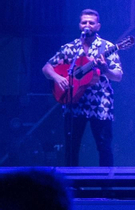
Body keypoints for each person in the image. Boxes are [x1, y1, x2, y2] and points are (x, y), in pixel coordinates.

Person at [42, 9, 123, 167]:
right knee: (71, 148)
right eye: (84, 22)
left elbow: (118, 76)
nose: (87, 25)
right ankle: (72, 186)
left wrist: (105, 69)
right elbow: (46, 68)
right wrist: (58, 78)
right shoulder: (70, 48)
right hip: (74, 103)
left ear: (98, 26)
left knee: (104, 147)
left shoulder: (107, 47)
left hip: (100, 104)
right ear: (79, 25)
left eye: (91, 23)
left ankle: (106, 188)